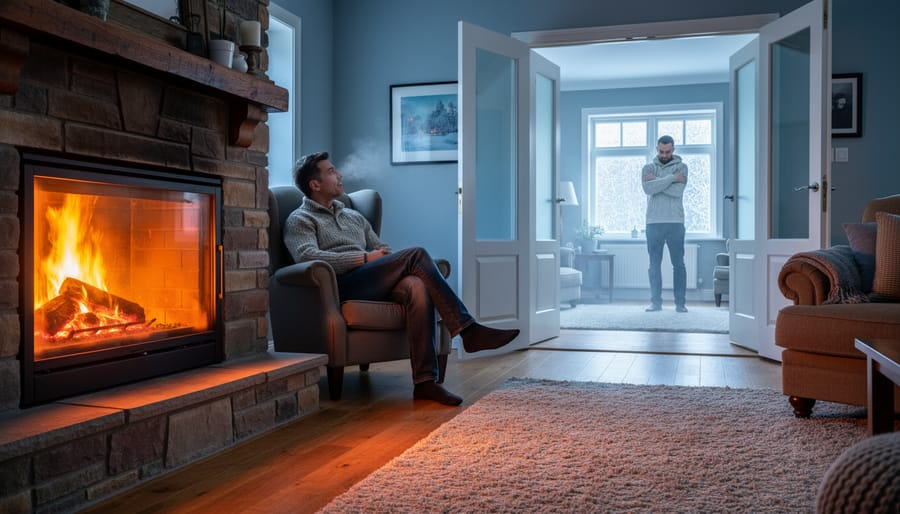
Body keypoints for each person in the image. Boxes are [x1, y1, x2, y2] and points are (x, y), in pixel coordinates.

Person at [283, 152, 520, 406]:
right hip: (341, 285)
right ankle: (468, 330)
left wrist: (382, 259)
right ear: (314, 184)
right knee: (417, 254)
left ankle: (425, 383)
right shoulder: (300, 220)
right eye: (331, 171)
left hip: (371, 279)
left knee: (417, 285)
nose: (339, 175)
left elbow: (380, 247)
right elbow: (307, 257)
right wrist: (364, 259)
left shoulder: (354, 216)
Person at [641, 135, 688, 313]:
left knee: (679, 264)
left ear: (673, 150)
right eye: (661, 151)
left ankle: (680, 304)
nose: (664, 154)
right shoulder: (648, 167)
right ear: (657, 149)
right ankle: (655, 303)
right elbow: (648, 189)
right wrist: (671, 178)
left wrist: (657, 181)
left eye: (668, 151)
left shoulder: (682, 167)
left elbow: (678, 192)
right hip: (653, 222)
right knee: (654, 264)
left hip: (675, 222)